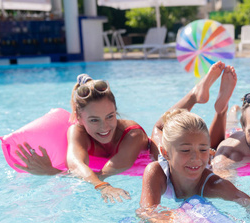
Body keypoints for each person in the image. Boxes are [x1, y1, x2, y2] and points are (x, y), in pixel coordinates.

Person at [14, 74, 151, 203]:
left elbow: (104, 173)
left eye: (110, 116)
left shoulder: (133, 134)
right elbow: (76, 165)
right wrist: (102, 186)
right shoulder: (77, 132)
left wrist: (53, 172)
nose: (104, 127)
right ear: (79, 118)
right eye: (94, 120)